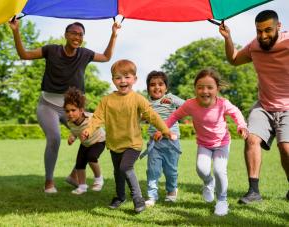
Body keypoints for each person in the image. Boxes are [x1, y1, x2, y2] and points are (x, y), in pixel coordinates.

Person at [9, 19, 121, 193]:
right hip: (49, 106)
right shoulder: (51, 50)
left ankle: (74, 176)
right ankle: (49, 182)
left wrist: (114, 34)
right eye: (74, 33)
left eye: (81, 34)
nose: (77, 36)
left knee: (95, 137)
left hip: (73, 109)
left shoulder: (84, 54)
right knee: (54, 139)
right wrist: (16, 31)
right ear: (66, 35)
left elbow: (106, 57)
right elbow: (24, 54)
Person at [81, 59, 175, 213]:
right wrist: (88, 130)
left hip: (132, 144)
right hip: (114, 144)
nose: (122, 80)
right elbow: (97, 118)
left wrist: (165, 130)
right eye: (118, 77)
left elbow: (152, 116)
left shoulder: (138, 99)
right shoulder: (107, 100)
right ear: (113, 80)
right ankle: (120, 196)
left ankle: (138, 199)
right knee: (118, 171)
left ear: (134, 79)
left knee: (125, 167)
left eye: (127, 76)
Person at [155, 68, 248, 216]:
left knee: (219, 170)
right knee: (201, 169)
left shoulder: (223, 103)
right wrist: (162, 129)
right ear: (195, 89)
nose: (205, 91)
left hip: (222, 143)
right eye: (200, 87)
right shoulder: (190, 104)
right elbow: (174, 116)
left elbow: (236, 113)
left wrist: (241, 125)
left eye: (209, 87)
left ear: (217, 89)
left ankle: (222, 201)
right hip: (204, 144)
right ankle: (208, 183)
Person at [219, 10, 289, 203]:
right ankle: (254, 192)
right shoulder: (254, 46)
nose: (263, 36)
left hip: (288, 106)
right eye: (259, 31)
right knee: (251, 139)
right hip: (264, 105)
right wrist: (228, 38)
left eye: (268, 30)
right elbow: (233, 59)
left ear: (279, 27)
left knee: (286, 148)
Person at [143, 71, 185, 207]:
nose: (157, 87)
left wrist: (173, 101)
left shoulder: (170, 98)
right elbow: (139, 117)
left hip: (171, 143)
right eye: (152, 85)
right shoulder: (145, 103)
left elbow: (187, 105)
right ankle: (151, 195)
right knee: (153, 170)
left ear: (166, 88)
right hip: (154, 144)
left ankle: (172, 191)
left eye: (161, 84)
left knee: (171, 170)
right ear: (148, 88)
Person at [63, 87, 106, 195]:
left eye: (73, 110)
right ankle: (82, 186)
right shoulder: (70, 122)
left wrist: (88, 132)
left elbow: (99, 122)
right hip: (85, 144)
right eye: (67, 111)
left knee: (92, 157)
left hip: (98, 141)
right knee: (79, 164)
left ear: (81, 110)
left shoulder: (90, 117)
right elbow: (74, 131)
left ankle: (99, 180)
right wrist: (72, 137)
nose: (70, 113)